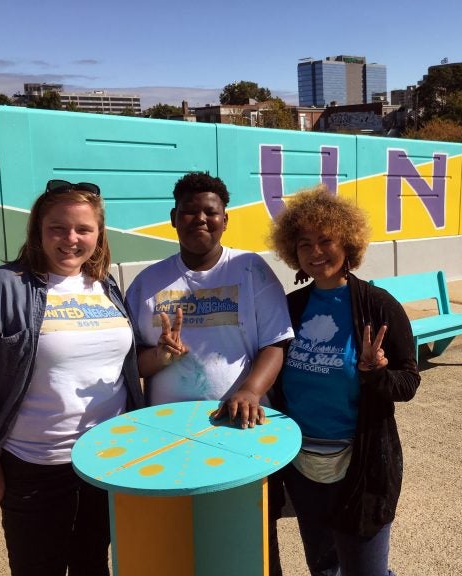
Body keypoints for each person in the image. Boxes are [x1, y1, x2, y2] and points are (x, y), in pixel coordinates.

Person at [0, 179, 144, 576]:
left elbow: (116, 367)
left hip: (107, 460)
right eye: (57, 227)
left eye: (83, 229)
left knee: (92, 563)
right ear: (38, 230)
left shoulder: (105, 285)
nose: (71, 239)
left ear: (98, 234)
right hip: (35, 465)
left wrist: (165, 356)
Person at [124, 172, 293, 574]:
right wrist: (159, 357)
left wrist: (251, 390)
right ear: (173, 217)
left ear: (225, 219)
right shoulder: (148, 283)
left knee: (250, 537)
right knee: (178, 537)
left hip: (239, 428)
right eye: (189, 212)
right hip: (166, 433)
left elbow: (276, 342)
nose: (199, 219)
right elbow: (130, 361)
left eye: (210, 212)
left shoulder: (251, 270)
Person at [268, 185, 420, 576]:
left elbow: (408, 383)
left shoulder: (378, 305)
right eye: (304, 244)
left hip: (362, 466)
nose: (316, 252)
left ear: (347, 243)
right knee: (323, 566)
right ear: (293, 252)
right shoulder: (293, 307)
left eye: (325, 240)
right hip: (303, 466)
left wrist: (377, 375)